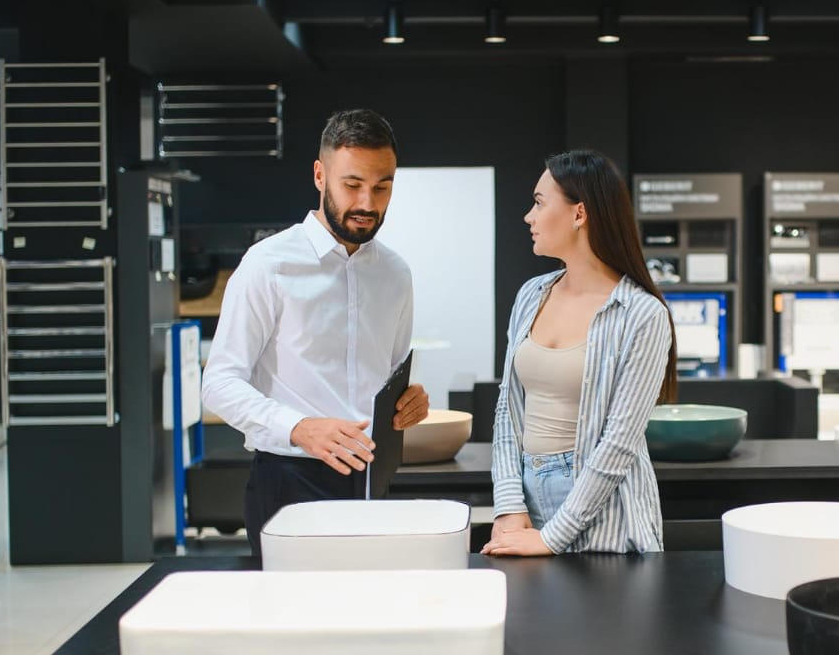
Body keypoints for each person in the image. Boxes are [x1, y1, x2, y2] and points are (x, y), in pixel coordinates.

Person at [201, 108, 429, 557]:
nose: (368, 202)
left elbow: (389, 377)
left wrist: (409, 400)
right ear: (320, 175)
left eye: (382, 187)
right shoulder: (268, 265)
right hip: (289, 480)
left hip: (372, 480)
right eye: (352, 185)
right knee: (294, 623)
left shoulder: (396, 274)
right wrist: (300, 427)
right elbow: (219, 384)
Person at [481, 149, 677, 557]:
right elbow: (508, 408)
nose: (528, 217)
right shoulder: (531, 294)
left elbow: (619, 443)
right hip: (527, 502)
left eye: (538, 203)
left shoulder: (642, 314)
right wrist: (508, 504)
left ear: (579, 214)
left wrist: (553, 536)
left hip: (606, 516)